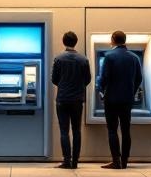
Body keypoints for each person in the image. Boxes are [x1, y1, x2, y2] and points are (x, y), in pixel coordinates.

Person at [97, 30, 143, 169]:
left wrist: (101, 91)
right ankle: (125, 161)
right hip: (127, 100)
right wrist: (131, 92)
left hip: (111, 98)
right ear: (125, 40)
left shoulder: (109, 56)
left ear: (112, 39)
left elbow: (104, 77)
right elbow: (139, 78)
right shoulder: (135, 58)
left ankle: (116, 161)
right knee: (126, 130)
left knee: (112, 130)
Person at [51, 31, 91, 169]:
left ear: (63, 41)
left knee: (64, 130)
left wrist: (64, 85)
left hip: (62, 98)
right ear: (76, 41)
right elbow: (88, 79)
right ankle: (75, 162)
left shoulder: (58, 59)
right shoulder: (83, 59)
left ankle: (66, 160)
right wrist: (78, 86)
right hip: (77, 99)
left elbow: (54, 79)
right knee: (76, 130)